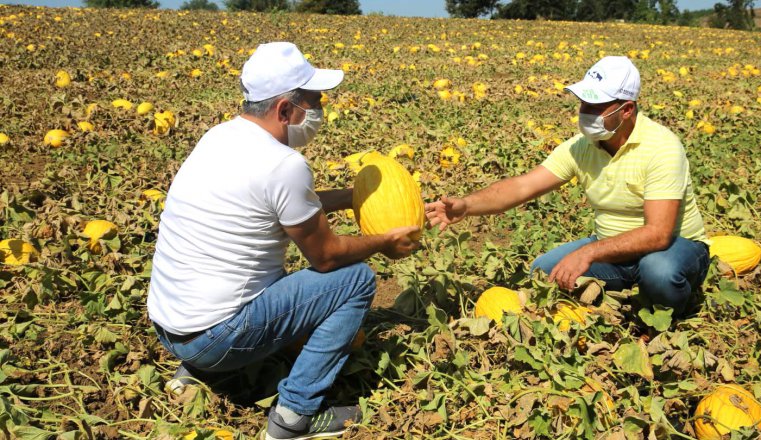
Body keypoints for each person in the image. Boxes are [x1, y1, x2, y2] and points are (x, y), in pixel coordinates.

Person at [147, 42, 419, 440]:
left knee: (273, 281)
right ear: (284, 110)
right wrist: (383, 241)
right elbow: (326, 257)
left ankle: (196, 370)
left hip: (169, 328)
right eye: (314, 100)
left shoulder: (219, 137)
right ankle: (293, 417)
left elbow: (277, 204)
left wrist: (354, 197)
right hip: (215, 340)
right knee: (355, 279)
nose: (320, 109)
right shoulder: (283, 165)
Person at [426, 56, 709, 316]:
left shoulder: (662, 147)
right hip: (613, 250)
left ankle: (672, 311)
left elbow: (658, 234)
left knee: (659, 272)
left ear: (626, 110)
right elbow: (523, 186)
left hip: (673, 248)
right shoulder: (581, 147)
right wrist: (467, 205)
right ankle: (625, 289)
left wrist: (588, 253)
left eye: (596, 106)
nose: (585, 112)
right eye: (584, 103)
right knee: (543, 271)